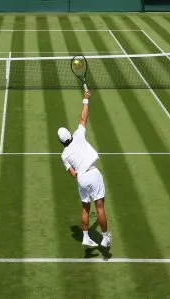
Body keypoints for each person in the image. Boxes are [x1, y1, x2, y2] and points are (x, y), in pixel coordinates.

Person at [57, 89, 111, 249]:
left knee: (86, 208)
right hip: (93, 174)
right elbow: (83, 118)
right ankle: (106, 237)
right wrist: (86, 98)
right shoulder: (78, 135)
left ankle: (86, 237)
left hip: (81, 178)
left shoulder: (64, 155)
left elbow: (73, 174)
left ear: (61, 142)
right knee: (100, 208)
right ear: (70, 136)